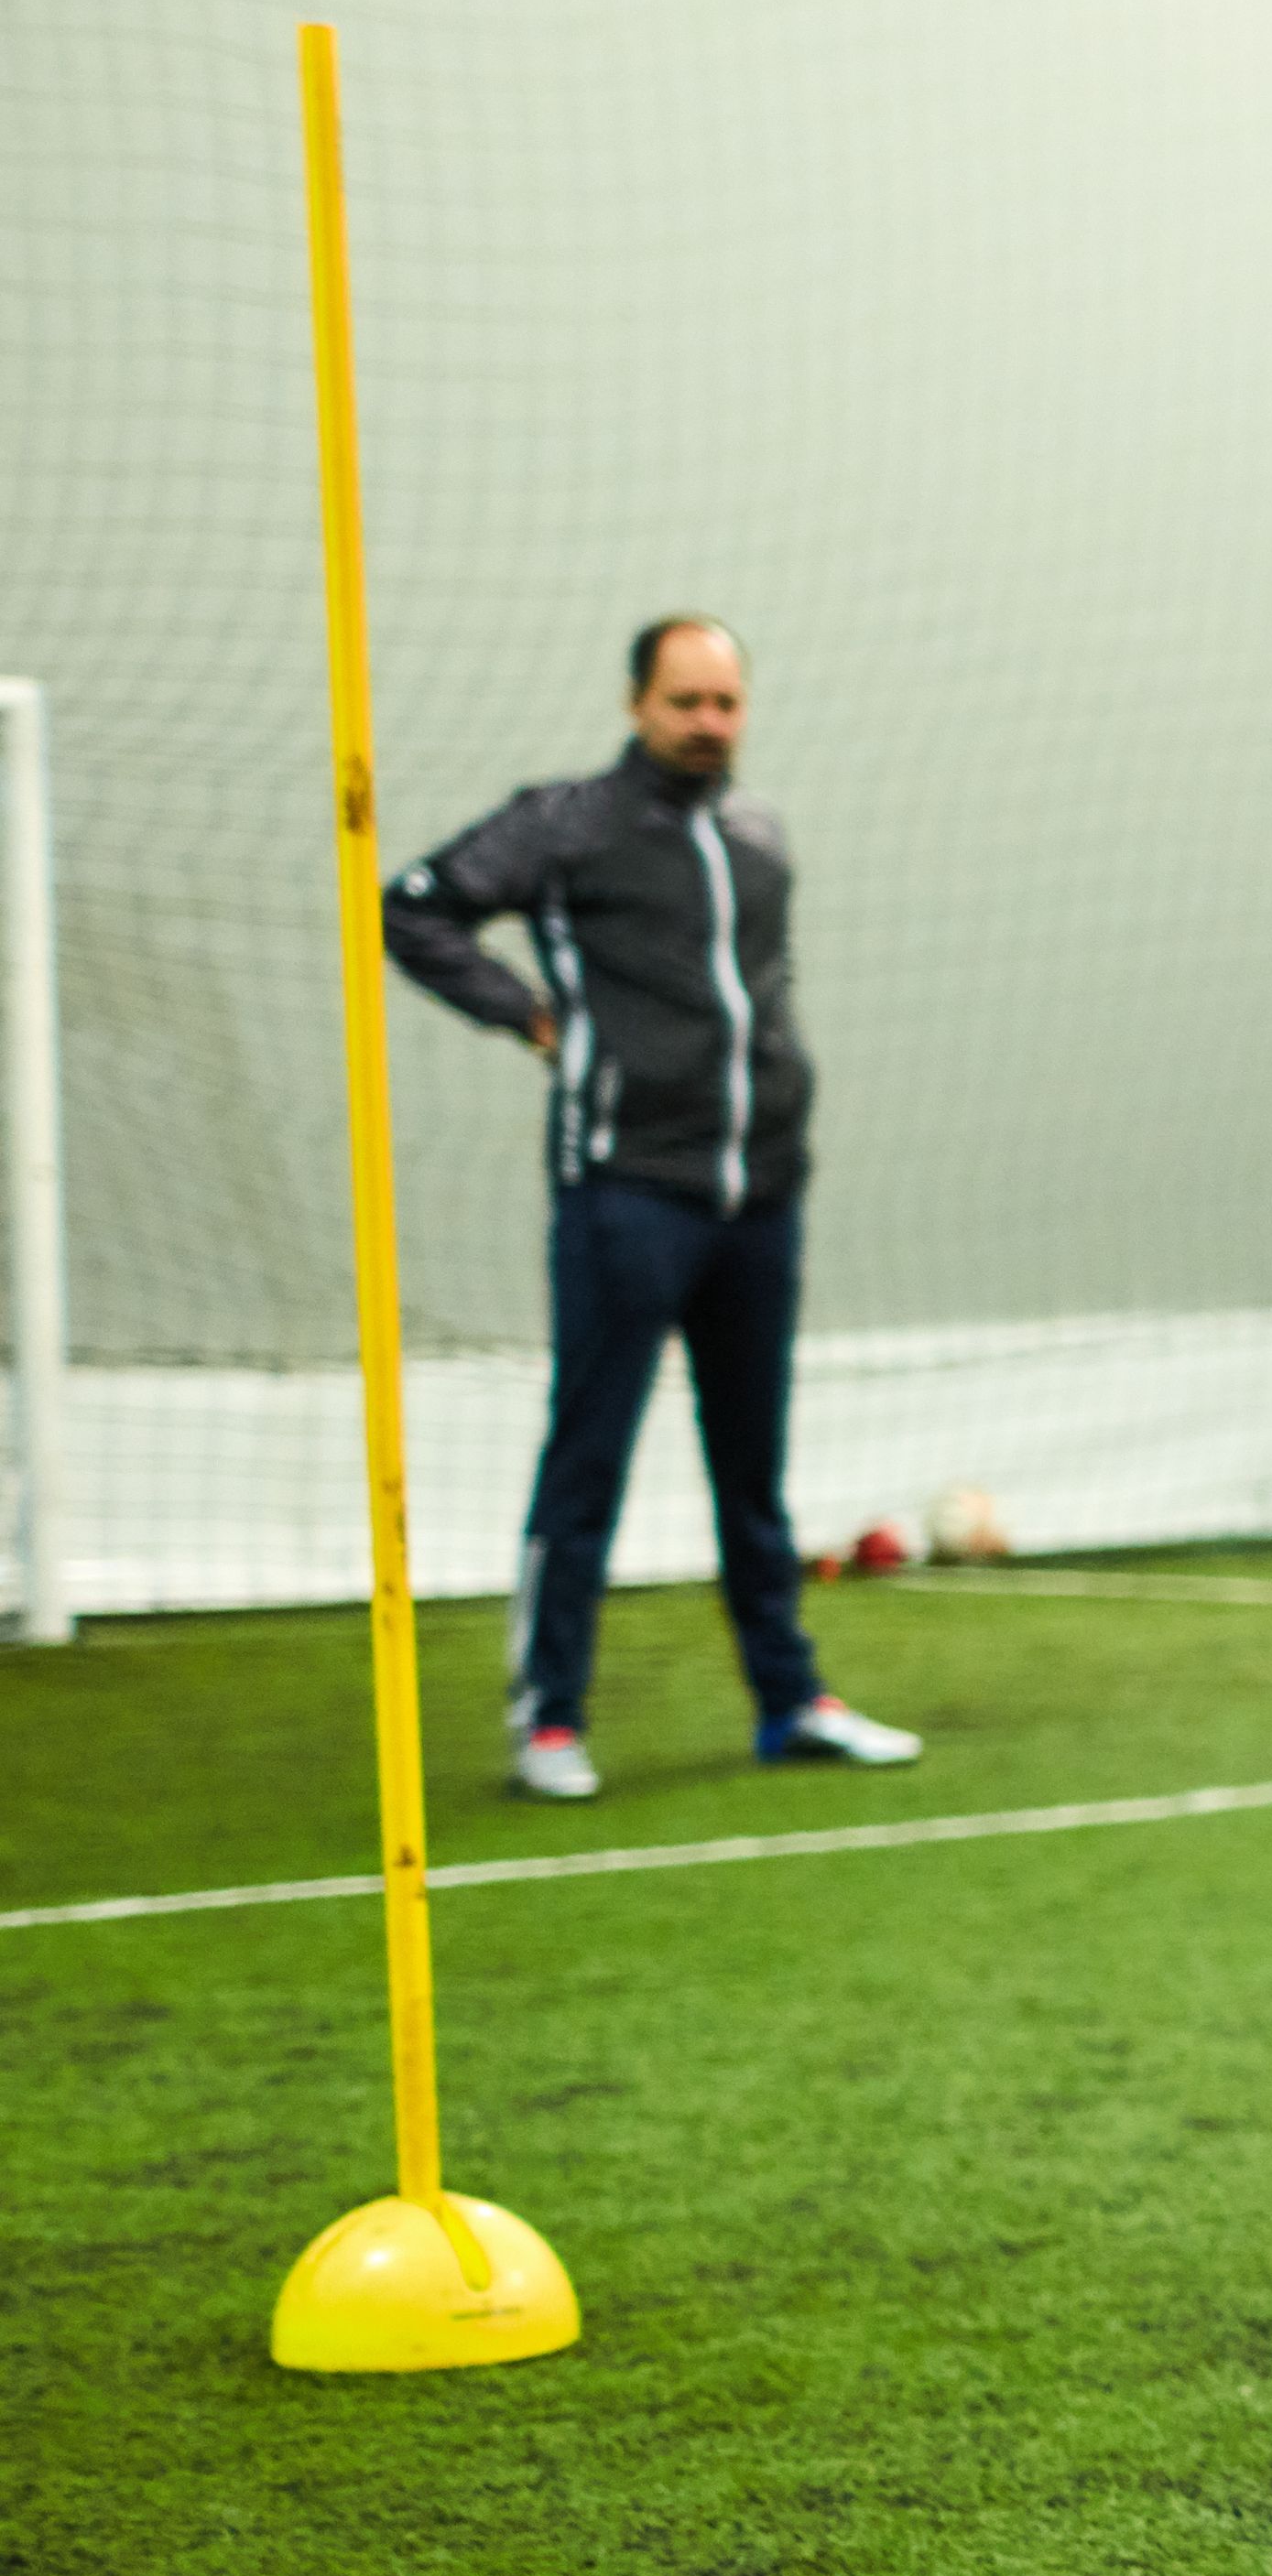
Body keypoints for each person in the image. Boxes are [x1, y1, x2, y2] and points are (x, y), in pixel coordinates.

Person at [377, 616, 920, 1801]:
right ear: (638, 704)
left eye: (726, 702)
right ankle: (552, 1722)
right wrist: (531, 1019)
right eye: (685, 701)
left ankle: (791, 1701)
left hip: (759, 1200)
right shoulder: (564, 823)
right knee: (589, 1462)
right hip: (625, 1196)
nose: (707, 723)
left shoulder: (759, 836)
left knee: (753, 1472)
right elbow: (411, 908)